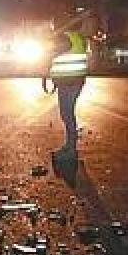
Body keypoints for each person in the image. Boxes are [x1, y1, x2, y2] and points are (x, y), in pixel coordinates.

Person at [44, 11, 93, 160]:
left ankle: (71, 147)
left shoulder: (64, 38)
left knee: (67, 114)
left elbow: (51, 53)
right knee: (68, 113)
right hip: (75, 81)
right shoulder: (77, 38)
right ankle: (69, 145)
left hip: (68, 83)